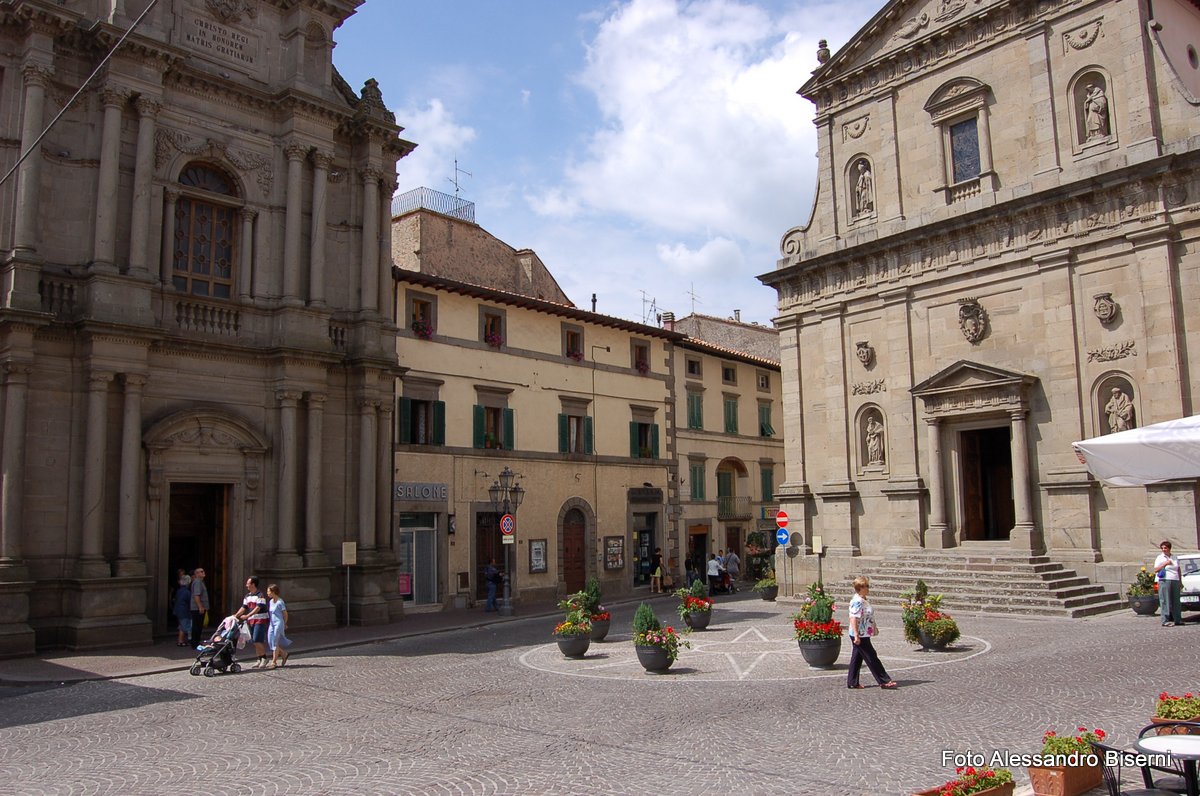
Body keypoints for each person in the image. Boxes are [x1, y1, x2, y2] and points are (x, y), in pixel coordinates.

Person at [846, 576, 898, 690]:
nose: (868, 588)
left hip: (863, 633)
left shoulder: (862, 599)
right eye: (866, 586)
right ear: (860, 588)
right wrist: (856, 635)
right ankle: (884, 680)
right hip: (860, 634)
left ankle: (852, 682)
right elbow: (853, 618)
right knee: (871, 657)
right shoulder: (858, 601)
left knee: (857, 657)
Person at [233, 576, 270, 668]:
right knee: (254, 640)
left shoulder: (260, 595)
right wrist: (236, 615)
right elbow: (244, 607)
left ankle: (264, 658)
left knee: (257, 639)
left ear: (253, 584)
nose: (246, 585)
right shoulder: (247, 596)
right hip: (251, 621)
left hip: (260, 620)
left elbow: (258, 607)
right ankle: (259, 658)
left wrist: (247, 615)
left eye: (248, 583)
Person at [1154, 540, 1182, 627]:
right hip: (1164, 580)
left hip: (1175, 579)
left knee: (1176, 601)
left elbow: (1178, 569)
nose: (1163, 549)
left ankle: (1177, 619)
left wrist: (1180, 581)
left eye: (1165, 548)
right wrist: (1165, 563)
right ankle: (1165, 620)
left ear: (1169, 548)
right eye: (1162, 548)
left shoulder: (1174, 557)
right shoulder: (1160, 557)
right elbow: (1156, 569)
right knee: (1165, 600)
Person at [266, 583, 291, 668]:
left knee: (275, 642)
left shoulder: (280, 602)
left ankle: (274, 662)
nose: (267, 593)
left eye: (268, 591)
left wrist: (285, 623)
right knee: (270, 641)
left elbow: (285, 614)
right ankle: (284, 654)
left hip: (278, 623)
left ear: (273, 592)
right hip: (272, 623)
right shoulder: (270, 601)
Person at [189, 566, 209, 649]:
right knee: (197, 626)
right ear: (197, 574)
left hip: (199, 608)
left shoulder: (201, 582)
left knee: (199, 625)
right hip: (197, 608)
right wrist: (200, 606)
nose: (203, 572)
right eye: (201, 571)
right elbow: (196, 595)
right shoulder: (197, 582)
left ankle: (196, 642)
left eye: (203, 571)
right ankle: (195, 643)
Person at [172, 569, 192, 647]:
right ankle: (181, 641)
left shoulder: (179, 591)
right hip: (184, 611)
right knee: (184, 627)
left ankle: (180, 641)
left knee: (181, 626)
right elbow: (189, 602)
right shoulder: (187, 592)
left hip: (178, 611)